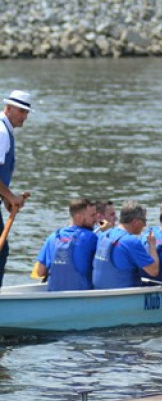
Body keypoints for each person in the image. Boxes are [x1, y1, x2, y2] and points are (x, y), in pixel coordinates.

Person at [0, 89, 32, 288]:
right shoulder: (2, 132)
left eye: (27, 112)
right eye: (21, 111)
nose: (25, 117)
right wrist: (10, 196)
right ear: (9, 108)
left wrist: (6, 198)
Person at [91, 201, 160, 289]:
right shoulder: (131, 241)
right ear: (135, 222)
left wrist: (102, 222)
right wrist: (152, 245)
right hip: (122, 297)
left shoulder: (103, 234)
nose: (145, 224)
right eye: (144, 220)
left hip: (99, 293)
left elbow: (99, 223)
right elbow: (154, 271)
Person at [34, 197, 98, 292]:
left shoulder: (53, 237)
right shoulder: (91, 238)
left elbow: (39, 272)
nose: (96, 219)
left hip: (54, 296)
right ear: (79, 217)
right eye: (92, 216)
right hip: (81, 296)